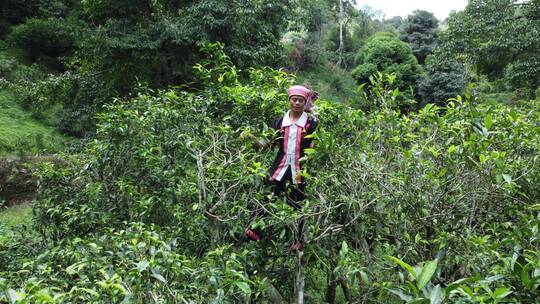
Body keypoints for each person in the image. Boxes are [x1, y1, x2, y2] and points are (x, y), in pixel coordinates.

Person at [243, 85, 319, 251]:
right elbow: (269, 144)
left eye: (301, 100)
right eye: (294, 100)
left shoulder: (311, 123)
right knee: (266, 195)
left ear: (305, 102)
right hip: (280, 165)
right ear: (289, 101)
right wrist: (252, 140)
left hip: (299, 169)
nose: (297, 103)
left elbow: (315, 145)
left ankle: (296, 240)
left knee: (297, 204)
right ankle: (253, 230)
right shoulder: (279, 122)